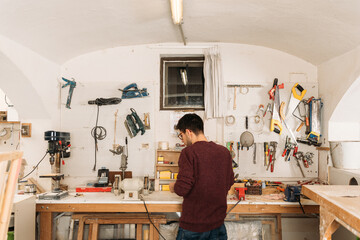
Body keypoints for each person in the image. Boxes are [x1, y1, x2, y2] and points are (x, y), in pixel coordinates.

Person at [169, 113, 234, 240]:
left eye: (181, 135)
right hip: (218, 224)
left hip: (194, 227)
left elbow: (182, 189)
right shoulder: (224, 152)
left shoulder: (188, 153)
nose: (181, 140)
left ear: (188, 132)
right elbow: (229, 182)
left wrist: (173, 187)